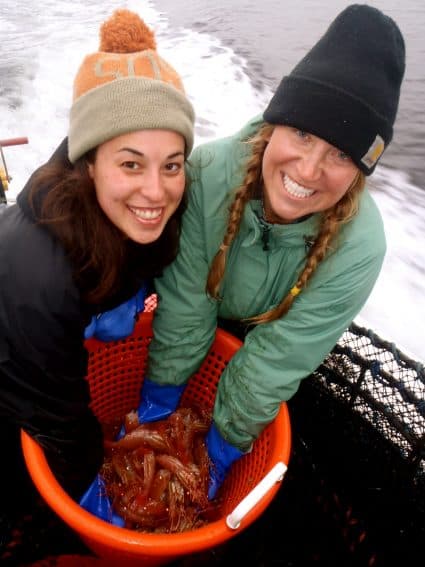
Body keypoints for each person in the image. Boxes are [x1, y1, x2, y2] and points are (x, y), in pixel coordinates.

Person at [141, 4, 406, 500]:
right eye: (303, 133)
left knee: (260, 390)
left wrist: (217, 450)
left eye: (341, 153)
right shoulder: (209, 173)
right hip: (195, 312)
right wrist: (156, 411)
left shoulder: (361, 247)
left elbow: (280, 357)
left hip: (271, 339)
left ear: (359, 170)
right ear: (275, 123)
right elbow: (187, 302)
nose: (307, 170)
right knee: (182, 332)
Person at [0, 7, 194, 546]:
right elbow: (52, 416)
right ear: (87, 164)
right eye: (130, 164)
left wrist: (124, 300)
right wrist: (90, 480)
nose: (156, 192)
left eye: (171, 164)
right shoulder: (38, 273)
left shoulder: (165, 205)